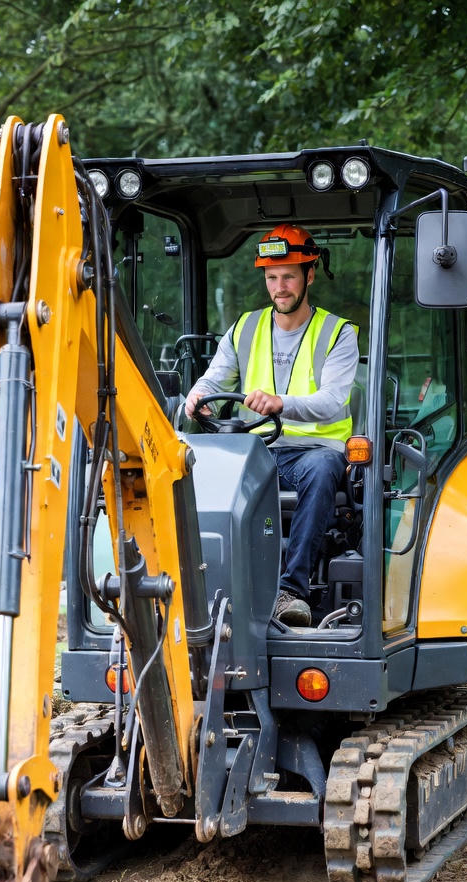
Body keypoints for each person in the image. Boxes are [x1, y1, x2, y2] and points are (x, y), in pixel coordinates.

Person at [184, 224, 359, 627]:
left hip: (315, 454)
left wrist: (282, 403)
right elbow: (215, 378)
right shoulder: (245, 327)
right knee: (193, 466)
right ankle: (202, 586)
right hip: (256, 451)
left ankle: (291, 592)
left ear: (309, 275)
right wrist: (198, 395)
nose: (280, 287)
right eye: (272, 277)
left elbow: (333, 400)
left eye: (289, 276)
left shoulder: (337, 334)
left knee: (320, 470)